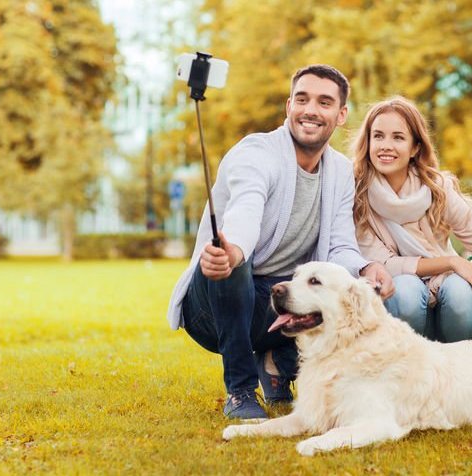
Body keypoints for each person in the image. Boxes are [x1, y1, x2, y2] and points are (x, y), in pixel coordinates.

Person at [167, 64, 395, 421]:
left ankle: (276, 362)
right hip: (214, 304)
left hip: (273, 302)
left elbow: (339, 247)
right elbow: (246, 209)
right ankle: (241, 390)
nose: (311, 110)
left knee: (320, 285)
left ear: (341, 114)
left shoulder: (339, 172)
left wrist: (365, 268)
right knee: (236, 268)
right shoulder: (256, 152)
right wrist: (233, 250)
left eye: (324, 102)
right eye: (302, 99)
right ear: (289, 106)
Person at [351, 96, 472, 342]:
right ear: (368, 141)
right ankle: (407, 367)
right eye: (378, 136)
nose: (386, 145)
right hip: (399, 302)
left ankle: (459, 366)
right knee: (405, 288)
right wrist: (452, 261)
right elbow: (385, 264)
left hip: (446, 297)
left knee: (461, 291)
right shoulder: (355, 193)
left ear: (415, 147)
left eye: (398, 137)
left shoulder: (438, 188)